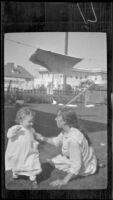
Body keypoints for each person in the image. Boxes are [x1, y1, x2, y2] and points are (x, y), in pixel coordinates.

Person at [37, 107, 97, 188]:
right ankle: (92, 164)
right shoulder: (68, 130)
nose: (55, 119)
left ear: (65, 121)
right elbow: (56, 141)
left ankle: (90, 167)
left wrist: (64, 181)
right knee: (52, 161)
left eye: (57, 117)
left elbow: (76, 165)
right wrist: (42, 138)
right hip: (86, 161)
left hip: (84, 168)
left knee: (53, 162)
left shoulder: (72, 140)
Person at [5, 107, 43, 185]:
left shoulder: (31, 129)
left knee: (31, 162)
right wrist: (13, 131)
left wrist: (37, 135)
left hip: (29, 150)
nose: (32, 124)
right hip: (18, 152)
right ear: (21, 121)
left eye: (32, 121)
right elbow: (9, 135)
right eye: (29, 122)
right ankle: (15, 173)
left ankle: (32, 176)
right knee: (17, 162)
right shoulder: (16, 128)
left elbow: (34, 133)